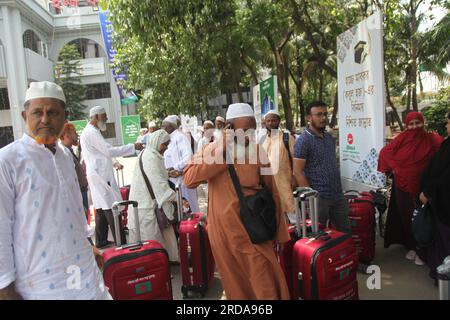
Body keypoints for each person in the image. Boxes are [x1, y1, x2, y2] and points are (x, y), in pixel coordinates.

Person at [0, 81, 110, 300]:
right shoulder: (7, 161)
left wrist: (90, 244)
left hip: (83, 274)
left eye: (52, 113)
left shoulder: (65, 155)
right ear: (24, 116)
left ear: (65, 116)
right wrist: (4, 289)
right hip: (39, 285)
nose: (45, 120)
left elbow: (74, 209)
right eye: (37, 113)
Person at [183, 103, 290, 300]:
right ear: (228, 129)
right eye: (243, 130)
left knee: (264, 281)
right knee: (235, 286)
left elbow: (272, 192)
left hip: (252, 230)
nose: (247, 135)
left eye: (251, 129)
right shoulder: (212, 150)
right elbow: (189, 179)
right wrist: (223, 151)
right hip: (223, 233)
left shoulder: (259, 152)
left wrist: (280, 233)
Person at [378, 111, 443, 265]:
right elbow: (385, 153)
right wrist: (397, 168)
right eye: (411, 124)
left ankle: (423, 251)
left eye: (418, 123)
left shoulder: (432, 139)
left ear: (423, 123)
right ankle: (412, 247)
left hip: (425, 188)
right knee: (407, 218)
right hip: (403, 187)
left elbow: (444, 154)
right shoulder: (401, 138)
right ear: (406, 126)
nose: (415, 127)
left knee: (423, 220)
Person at [80, 106, 144, 248]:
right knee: (110, 206)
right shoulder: (91, 133)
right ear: (96, 117)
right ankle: (120, 241)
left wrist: (115, 161)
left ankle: (101, 240)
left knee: (101, 208)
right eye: (104, 116)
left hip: (98, 174)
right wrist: (132, 146)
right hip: (99, 175)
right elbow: (108, 151)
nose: (107, 119)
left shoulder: (93, 132)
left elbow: (104, 150)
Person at [293, 101, 351, 234]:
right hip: (319, 198)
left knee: (345, 231)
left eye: (325, 114)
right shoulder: (303, 141)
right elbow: (297, 171)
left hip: (337, 195)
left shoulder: (329, 138)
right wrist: (312, 196)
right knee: (318, 234)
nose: (323, 118)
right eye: (318, 114)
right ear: (309, 118)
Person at [128, 130, 179, 262]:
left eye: (168, 144)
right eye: (165, 144)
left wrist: (167, 173)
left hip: (147, 204)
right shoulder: (151, 157)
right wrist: (178, 197)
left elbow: (155, 174)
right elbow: (158, 184)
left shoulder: (151, 153)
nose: (166, 148)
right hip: (145, 207)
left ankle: (163, 263)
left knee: (161, 237)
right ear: (157, 142)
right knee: (151, 243)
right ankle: (155, 268)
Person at [419, 112, 450, 280]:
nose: (446, 126)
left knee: (444, 243)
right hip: (441, 200)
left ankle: (444, 280)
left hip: (443, 203)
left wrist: (428, 194)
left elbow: (442, 176)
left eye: (448, 122)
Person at [262, 110, 297, 222]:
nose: (271, 123)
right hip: (269, 186)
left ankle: (300, 235)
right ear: (265, 123)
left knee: (293, 214)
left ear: (279, 121)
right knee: (276, 216)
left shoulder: (287, 138)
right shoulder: (262, 140)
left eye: (273, 120)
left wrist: (294, 177)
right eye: (268, 121)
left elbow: (295, 159)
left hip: (286, 183)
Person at [162, 115, 200, 213]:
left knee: (190, 207)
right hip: (172, 181)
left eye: (164, 126)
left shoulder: (180, 137)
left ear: (170, 126)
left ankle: (195, 226)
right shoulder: (168, 139)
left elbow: (188, 158)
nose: (162, 128)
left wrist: (175, 168)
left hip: (182, 180)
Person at [60, 123, 89, 218]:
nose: (77, 135)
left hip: (82, 191)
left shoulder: (69, 151)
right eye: (74, 133)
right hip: (78, 194)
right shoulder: (64, 153)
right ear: (66, 135)